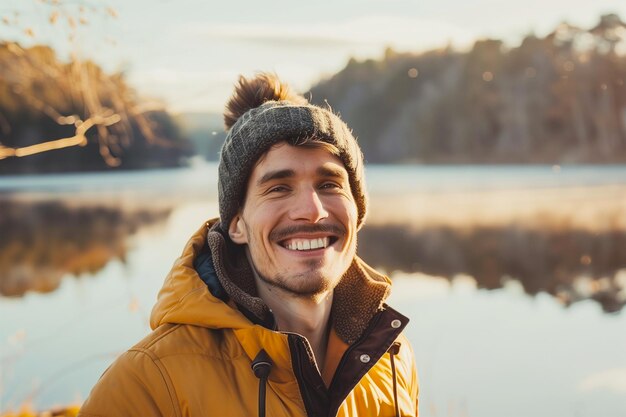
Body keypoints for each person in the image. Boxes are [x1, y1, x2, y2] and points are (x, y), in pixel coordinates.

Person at [78, 73, 419, 417]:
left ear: (357, 209)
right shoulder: (148, 384)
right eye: (278, 188)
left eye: (329, 184)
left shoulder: (391, 358)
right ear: (237, 224)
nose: (312, 210)